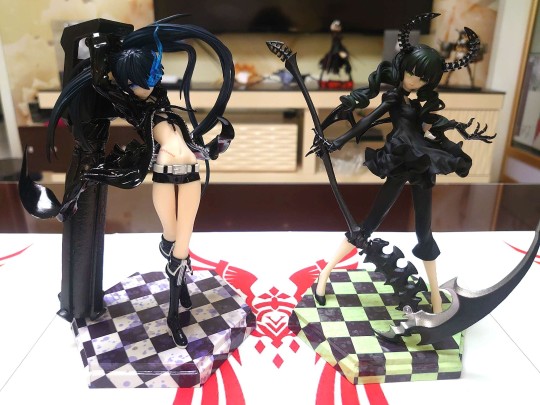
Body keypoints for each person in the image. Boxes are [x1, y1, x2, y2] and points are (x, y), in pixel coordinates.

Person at [23, 16, 234, 347]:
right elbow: (101, 84)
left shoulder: (159, 98)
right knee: (174, 242)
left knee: (183, 244)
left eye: (155, 75)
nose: (151, 83)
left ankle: (176, 294)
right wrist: (97, 53)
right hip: (164, 172)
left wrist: (212, 145)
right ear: (128, 83)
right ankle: (173, 301)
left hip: (190, 171)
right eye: (144, 79)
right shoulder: (131, 104)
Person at [309, 13, 495, 313]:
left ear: (429, 81)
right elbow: (366, 120)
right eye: (410, 72)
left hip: (421, 160)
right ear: (402, 67)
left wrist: (456, 131)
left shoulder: (420, 102)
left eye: (421, 78)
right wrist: (337, 142)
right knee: (369, 224)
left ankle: (435, 298)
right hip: (399, 158)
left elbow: (428, 128)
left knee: (424, 232)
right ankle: (324, 275)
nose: (412, 80)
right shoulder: (394, 97)